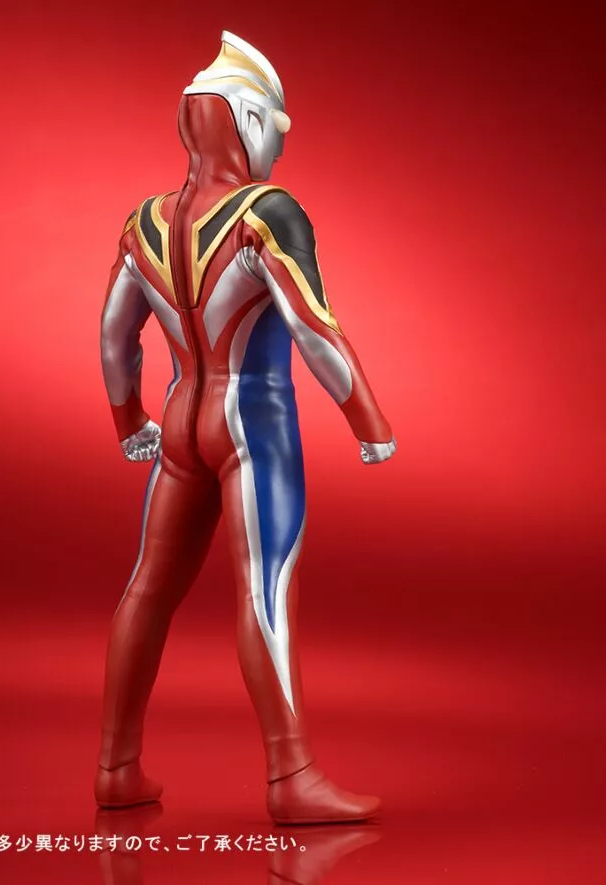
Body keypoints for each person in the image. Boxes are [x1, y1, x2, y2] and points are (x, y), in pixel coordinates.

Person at [95, 31, 396, 824]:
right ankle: (291, 774)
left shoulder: (143, 221)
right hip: (251, 423)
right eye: (275, 127)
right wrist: (368, 420)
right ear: (250, 120)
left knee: (147, 587)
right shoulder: (268, 212)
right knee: (264, 588)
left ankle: (116, 768)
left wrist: (129, 418)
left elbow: (114, 335)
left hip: (179, 417)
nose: (279, 146)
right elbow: (314, 329)